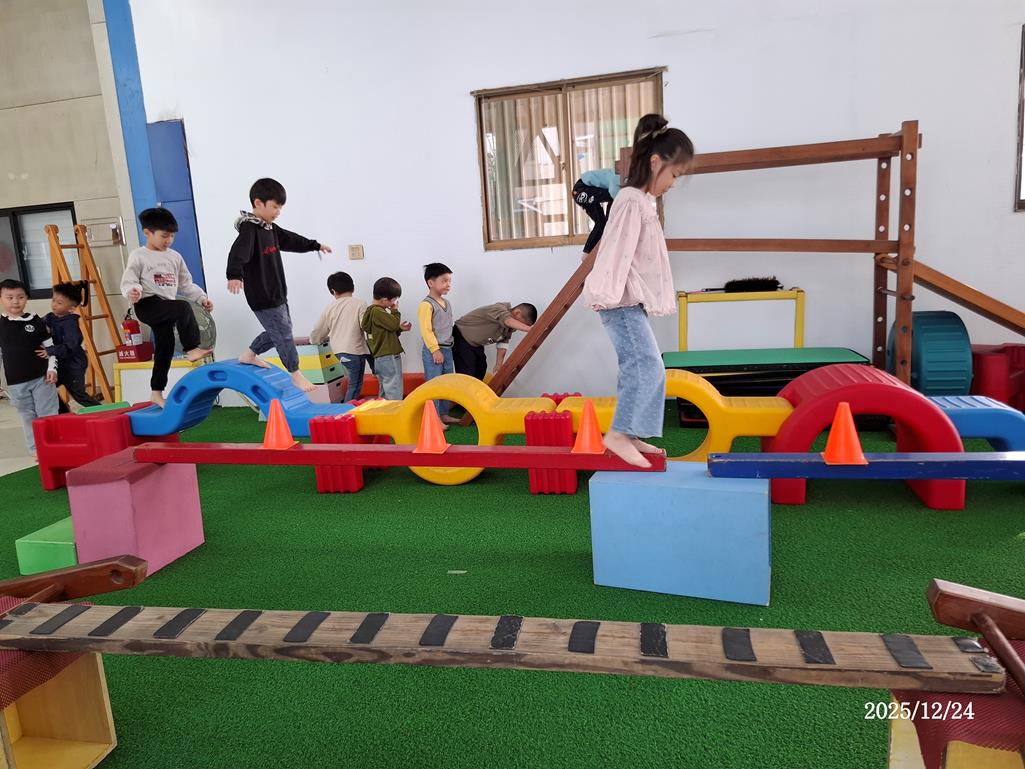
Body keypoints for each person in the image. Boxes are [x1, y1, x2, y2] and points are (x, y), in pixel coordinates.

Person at [582, 115, 695, 468]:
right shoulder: (631, 200)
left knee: (640, 367)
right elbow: (616, 250)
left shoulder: (642, 201)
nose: (674, 184)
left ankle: (629, 434)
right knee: (646, 366)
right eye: (675, 174)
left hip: (629, 300)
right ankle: (620, 434)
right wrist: (607, 294)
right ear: (656, 162)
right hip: (619, 301)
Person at [227, 177, 332, 392]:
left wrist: (315, 245)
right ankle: (296, 374)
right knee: (283, 333)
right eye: (275, 206)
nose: (278, 212)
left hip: (277, 292)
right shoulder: (250, 229)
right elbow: (238, 252)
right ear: (258, 203)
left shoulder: (270, 229)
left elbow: (292, 240)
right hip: (262, 294)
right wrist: (234, 275)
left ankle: (249, 354)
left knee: (281, 330)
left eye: (280, 207)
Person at [120, 207, 214, 407]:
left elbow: (186, 284)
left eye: (172, 236)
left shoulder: (175, 257)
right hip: (147, 304)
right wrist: (132, 291)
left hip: (165, 306)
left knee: (165, 347)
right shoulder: (139, 255)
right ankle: (191, 349)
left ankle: (156, 392)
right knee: (182, 308)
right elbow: (129, 280)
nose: (169, 240)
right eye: (164, 236)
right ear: (147, 233)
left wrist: (202, 298)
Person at [572, 114, 670, 256]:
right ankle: (586, 253)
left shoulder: (624, 183)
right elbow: (614, 191)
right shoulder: (617, 176)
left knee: (604, 221)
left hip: (595, 190)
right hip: (581, 188)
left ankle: (592, 249)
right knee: (610, 207)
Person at [0, 278, 58, 454]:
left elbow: (51, 348)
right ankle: (36, 452)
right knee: (27, 416)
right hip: (16, 383)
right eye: (9, 297)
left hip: (42, 379)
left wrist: (52, 369)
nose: (15, 301)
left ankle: (54, 447)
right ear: (1, 299)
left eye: (20, 297)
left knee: (48, 413)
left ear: (27, 298)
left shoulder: (36, 321)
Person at [309, 272, 371, 402]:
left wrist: (314, 340)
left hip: (338, 352)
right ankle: (348, 410)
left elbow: (318, 329)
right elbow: (365, 326)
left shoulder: (330, 307)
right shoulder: (360, 304)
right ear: (353, 288)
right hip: (354, 351)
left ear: (333, 291)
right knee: (355, 386)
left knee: (353, 384)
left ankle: (348, 407)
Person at [44, 280, 101, 412]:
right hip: (59, 364)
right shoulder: (50, 317)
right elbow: (38, 325)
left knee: (78, 395)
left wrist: (50, 350)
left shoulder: (71, 323)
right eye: (53, 300)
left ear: (71, 308)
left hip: (73, 366)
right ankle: (63, 411)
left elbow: (71, 345)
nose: (54, 305)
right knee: (46, 388)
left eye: (59, 303)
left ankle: (104, 412)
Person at [452, 302, 537, 381]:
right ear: (517, 313)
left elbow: (503, 343)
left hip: (476, 344)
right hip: (461, 336)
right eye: (522, 324)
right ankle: (463, 388)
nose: (519, 328)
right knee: (467, 370)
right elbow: (507, 320)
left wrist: (498, 364)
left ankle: (473, 388)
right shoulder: (499, 308)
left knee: (481, 367)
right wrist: (532, 329)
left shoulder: (509, 328)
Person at [417, 262, 458, 424]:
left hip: (448, 349)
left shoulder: (447, 303)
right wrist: (435, 350)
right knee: (434, 384)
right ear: (431, 283)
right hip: (434, 351)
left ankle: (444, 413)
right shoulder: (426, 305)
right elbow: (426, 330)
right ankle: (434, 418)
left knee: (447, 383)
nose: (448, 284)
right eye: (444, 281)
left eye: (449, 281)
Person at [360, 277, 411, 401]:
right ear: (384, 300)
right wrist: (395, 311)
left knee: (385, 386)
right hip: (389, 356)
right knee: (394, 386)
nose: (393, 303)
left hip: (381, 357)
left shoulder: (372, 312)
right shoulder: (377, 311)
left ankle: (384, 409)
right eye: (393, 300)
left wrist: (399, 329)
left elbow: (386, 332)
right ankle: (394, 409)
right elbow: (393, 325)